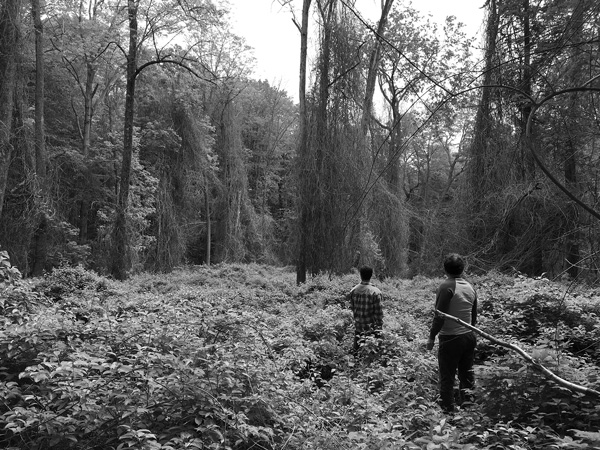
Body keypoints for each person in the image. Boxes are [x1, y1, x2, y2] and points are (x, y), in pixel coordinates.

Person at [426, 253, 478, 413]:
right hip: (469, 336)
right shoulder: (471, 288)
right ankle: (468, 408)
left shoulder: (445, 286)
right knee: (467, 375)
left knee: (447, 377)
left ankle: (448, 412)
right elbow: (473, 317)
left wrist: (432, 336)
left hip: (450, 338)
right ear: (462, 269)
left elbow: (440, 316)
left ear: (445, 269)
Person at [348, 266, 383, 354]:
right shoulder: (376, 292)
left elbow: (352, 308)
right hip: (372, 330)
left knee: (356, 354)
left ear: (360, 275)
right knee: (372, 356)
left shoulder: (353, 291)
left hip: (358, 328)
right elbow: (379, 314)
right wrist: (379, 329)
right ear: (371, 275)